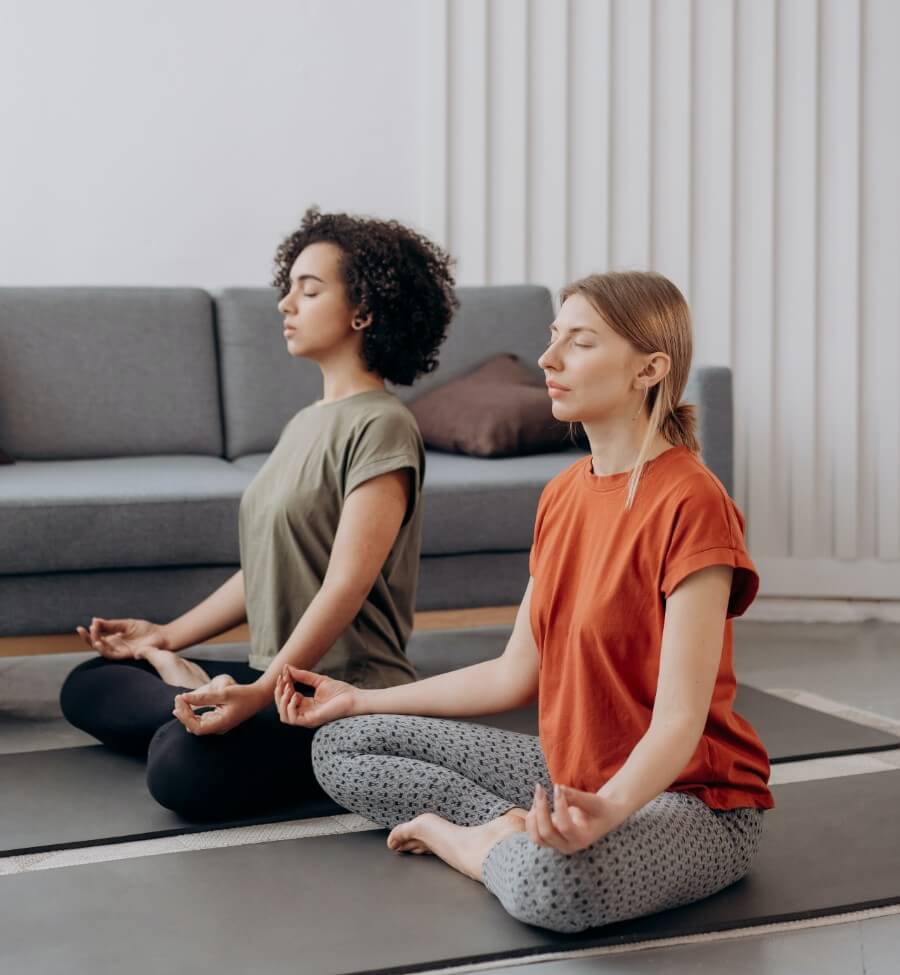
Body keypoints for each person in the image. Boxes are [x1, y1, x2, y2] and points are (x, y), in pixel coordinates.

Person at [273, 270, 774, 934]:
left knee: (555, 886)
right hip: (567, 768)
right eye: (552, 336)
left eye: (581, 342)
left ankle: (478, 842)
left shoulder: (693, 502)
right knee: (342, 744)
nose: (548, 358)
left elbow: (680, 721)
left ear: (649, 368)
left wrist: (611, 808)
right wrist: (358, 697)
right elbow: (515, 673)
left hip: (690, 800)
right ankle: (512, 826)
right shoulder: (562, 494)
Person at [59, 206, 457, 820]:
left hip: (339, 688)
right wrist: (165, 636)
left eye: (310, 289)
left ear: (365, 311)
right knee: (87, 681)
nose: (285, 304)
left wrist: (263, 693)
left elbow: (346, 584)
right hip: (272, 673)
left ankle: (203, 705)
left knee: (179, 769)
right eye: (288, 287)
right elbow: (268, 567)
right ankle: (196, 694)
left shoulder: (383, 425)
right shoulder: (304, 423)